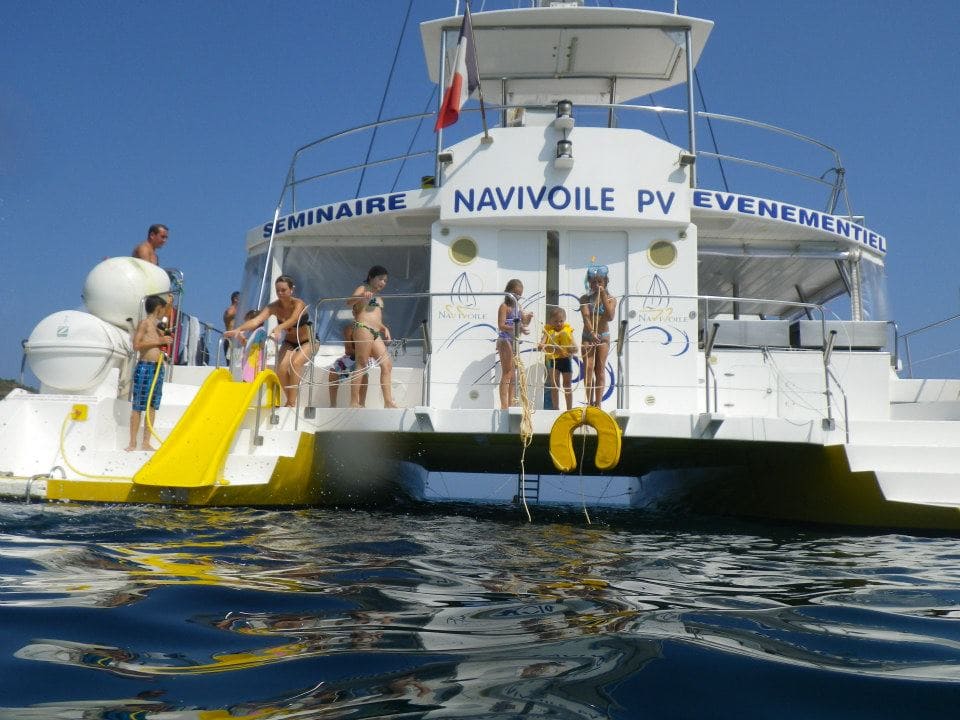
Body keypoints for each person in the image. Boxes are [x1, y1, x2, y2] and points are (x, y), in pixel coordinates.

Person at [224, 275, 315, 407]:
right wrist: (238, 329)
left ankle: (291, 402)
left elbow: (294, 319)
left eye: (283, 290)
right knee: (281, 370)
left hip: (308, 341)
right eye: (278, 290)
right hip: (289, 342)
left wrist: (279, 327)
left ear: (291, 290)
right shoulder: (273, 307)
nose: (280, 293)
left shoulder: (299, 304)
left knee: (295, 363)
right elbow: (256, 320)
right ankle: (291, 400)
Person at [347, 266, 398, 408]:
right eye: (380, 278)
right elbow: (349, 302)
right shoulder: (363, 288)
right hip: (363, 328)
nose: (383, 282)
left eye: (385, 280)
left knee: (387, 364)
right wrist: (361, 296)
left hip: (375, 332)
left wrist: (384, 327)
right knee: (361, 364)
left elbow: (374, 317)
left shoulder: (378, 297)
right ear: (371, 277)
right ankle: (353, 402)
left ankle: (388, 402)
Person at [127, 295, 171, 451]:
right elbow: (136, 345)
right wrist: (159, 341)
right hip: (145, 366)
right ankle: (132, 442)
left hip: (157, 368)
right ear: (158, 309)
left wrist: (163, 340)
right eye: (163, 310)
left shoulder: (158, 327)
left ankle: (146, 442)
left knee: (152, 405)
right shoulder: (144, 324)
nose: (164, 313)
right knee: (138, 405)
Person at [579, 265, 616, 407]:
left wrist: (604, 296)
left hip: (603, 336)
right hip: (588, 336)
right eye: (593, 282)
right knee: (588, 368)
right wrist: (592, 333)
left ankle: (598, 403)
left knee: (599, 368)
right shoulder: (584, 298)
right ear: (589, 283)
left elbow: (610, 316)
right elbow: (586, 317)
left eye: (599, 282)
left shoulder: (612, 299)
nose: (596, 285)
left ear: (605, 282)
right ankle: (589, 402)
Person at [496, 279, 533, 409]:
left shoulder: (519, 307)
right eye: (515, 293)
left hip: (514, 340)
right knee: (507, 372)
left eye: (520, 294)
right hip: (505, 340)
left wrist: (528, 319)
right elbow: (501, 325)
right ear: (508, 292)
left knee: (513, 374)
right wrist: (517, 328)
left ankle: (511, 403)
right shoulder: (504, 306)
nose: (517, 296)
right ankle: (504, 405)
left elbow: (524, 324)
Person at [538, 306, 577, 411]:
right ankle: (556, 408)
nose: (559, 324)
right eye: (556, 321)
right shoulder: (548, 332)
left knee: (567, 384)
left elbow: (575, 348)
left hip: (565, 360)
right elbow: (541, 345)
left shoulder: (568, 331)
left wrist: (571, 349)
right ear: (550, 321)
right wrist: (545, 346)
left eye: (561, 321)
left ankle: (569, 409)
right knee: (555, 385)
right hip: (553, 360)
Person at [327, 324, 369, 407]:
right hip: (350, 358)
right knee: (333, 371)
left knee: (363, 373)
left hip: (363, 358)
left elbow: (369, 351)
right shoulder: (349, 328)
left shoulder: (368, 329)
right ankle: (333, 404)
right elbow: (348, 351)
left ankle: (362, 404)